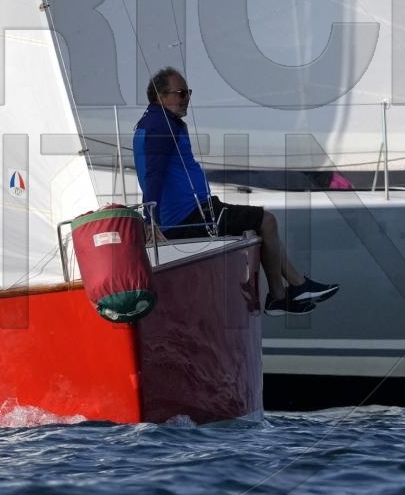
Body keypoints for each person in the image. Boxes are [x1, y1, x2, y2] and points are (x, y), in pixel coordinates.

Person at [133, 66, 339, 314]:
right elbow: (153, 174)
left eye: (189, 93)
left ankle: (287, 291)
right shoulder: (161, 125)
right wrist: (150, 221)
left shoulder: (154, 122)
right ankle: (286, 291)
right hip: (188, 217)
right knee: (267, 221)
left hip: (196, 210)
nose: (187, 99)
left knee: (260, 225)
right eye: (181, 93)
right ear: (160, 96)